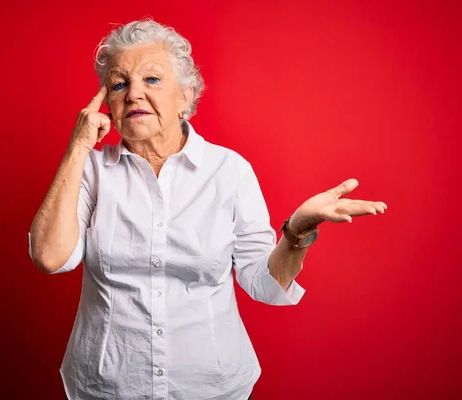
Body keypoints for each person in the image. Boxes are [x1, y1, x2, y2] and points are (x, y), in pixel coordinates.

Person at [28, 19, 387, 400]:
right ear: (107, 104)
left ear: (185, 96)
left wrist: (297, 231)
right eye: (119, 83)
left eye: (151, 79)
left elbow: (263, 284)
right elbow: (50, 257)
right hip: (106, 387)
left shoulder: (229, 170)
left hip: (212, 388)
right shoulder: (89, 170)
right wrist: (78, 147)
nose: (133, 93)